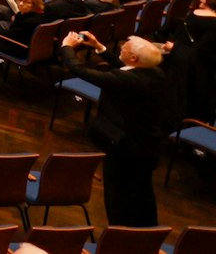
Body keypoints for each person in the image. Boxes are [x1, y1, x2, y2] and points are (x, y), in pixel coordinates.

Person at [59, 32, 172, 227]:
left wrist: (67, 47)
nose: (121, 48)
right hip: (148, 145)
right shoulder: (154, 73)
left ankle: (119, 237)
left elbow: (80, 70)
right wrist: (98, 46)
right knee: (143, 196)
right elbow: (126, 70)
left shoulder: (125, 80)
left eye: (125, 48)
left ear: (134, 58)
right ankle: (147, 237)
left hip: (125, 147)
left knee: (118, 198)